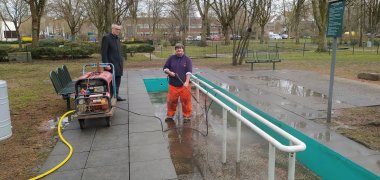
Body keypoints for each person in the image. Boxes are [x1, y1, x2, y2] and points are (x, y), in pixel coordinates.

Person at [163, 43, 193, 122]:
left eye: (180, 50)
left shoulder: (187, 59)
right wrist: (169, 73)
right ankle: (170, 115)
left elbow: (189, 72)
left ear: (183, 50)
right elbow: (165, 68)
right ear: (175, 50)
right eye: (177, 50)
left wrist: (186, 82)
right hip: (173, 85)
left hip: (184, 85)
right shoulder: (171, 58)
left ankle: (187, 116)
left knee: (186, 101)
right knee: (171, 101)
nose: (179, 52)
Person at [101, 23, 126, 101]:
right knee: (111, 82)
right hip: (110, 65)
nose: (118, 31)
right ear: (112, 29)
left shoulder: (117, 38)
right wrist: (106, 64)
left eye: (119, 29)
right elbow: (103, 52)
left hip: (119, 64)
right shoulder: (106, 38)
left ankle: (116, 95)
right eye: (117, 29)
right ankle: (110, 97)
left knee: (118, 80)